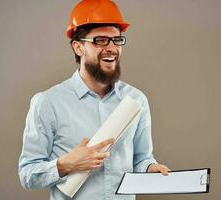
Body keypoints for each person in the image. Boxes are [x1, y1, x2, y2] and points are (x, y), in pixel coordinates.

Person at [18, 0, 170, 199]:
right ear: (78, 47)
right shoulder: (48, 103)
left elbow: (141, 158)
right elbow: (27, 174)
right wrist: (66, 164)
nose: (112, 48)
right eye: (100, 40)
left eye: (117, 40)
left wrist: (150, 168)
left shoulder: (136, 99)